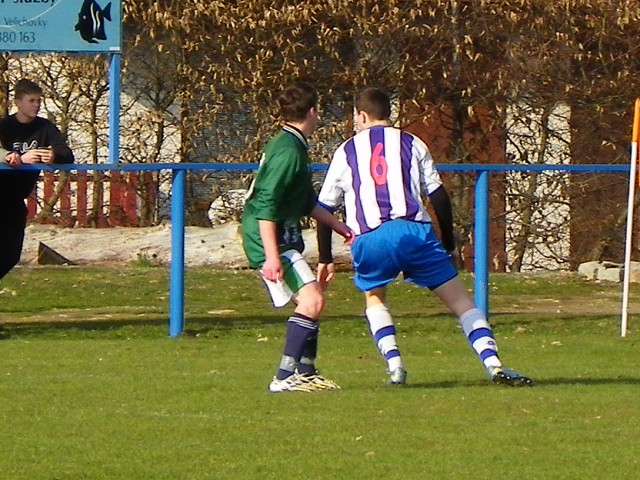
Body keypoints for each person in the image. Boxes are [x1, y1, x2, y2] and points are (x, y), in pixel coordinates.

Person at [316, 87, 532, 387]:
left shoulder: (346, 150)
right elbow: (439, 196)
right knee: (462, 302)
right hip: (414, 233)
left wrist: (325, 258)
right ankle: (494, 364)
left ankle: (395, 366)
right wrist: (448, 243)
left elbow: (324, 208)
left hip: (371, 238)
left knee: (375, 298)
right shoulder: (411, 141)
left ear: (362, 116)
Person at [242, 81, 353, 393]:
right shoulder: (288, 152)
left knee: (313, 299)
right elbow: (265, 206)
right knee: (312, 299)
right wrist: (272, 256)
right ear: (313, 112)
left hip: (282, 236)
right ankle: (283, 377)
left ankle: (306, 372)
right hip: (269, 238)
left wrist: (340, 227)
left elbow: (306, 202)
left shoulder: (292, 146)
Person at [0, 79, 75, 335]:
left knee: (9, 256)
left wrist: (54, 156)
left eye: (38, 101)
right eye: (31, 101)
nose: (36, 106)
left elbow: (67, 153)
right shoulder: (4, 126)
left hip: (13, 201)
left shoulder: (44, 128)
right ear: (18, 102)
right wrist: (19, 158)